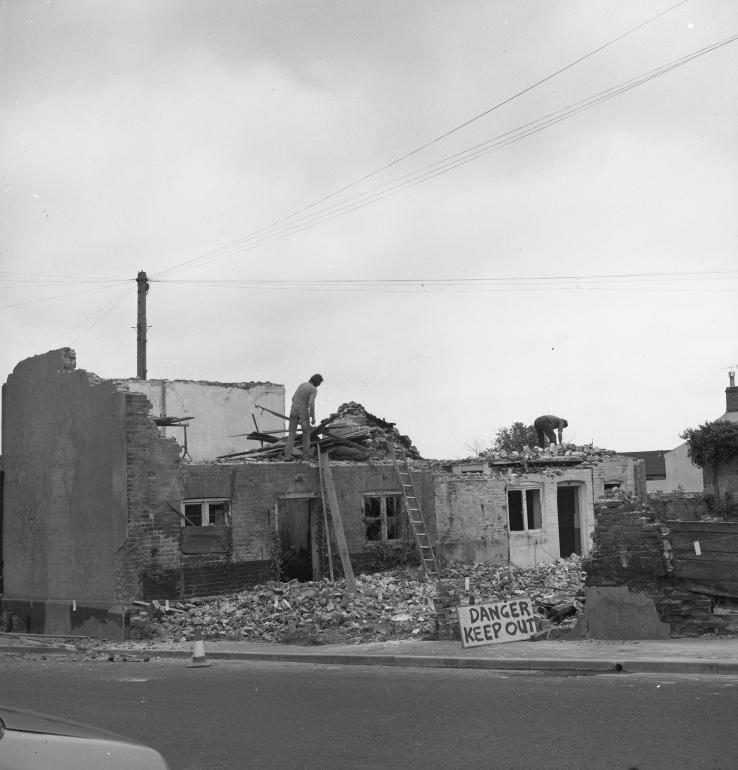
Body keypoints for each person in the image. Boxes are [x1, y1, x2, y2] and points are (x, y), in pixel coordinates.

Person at [284, 374, 323, 460]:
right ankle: (305, 457)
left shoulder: (302, 385)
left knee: (291, 434)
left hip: (293, 409)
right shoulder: (313, 389)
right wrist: (313, 417)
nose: (319, 386)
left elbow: (293, 398)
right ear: (317, 382)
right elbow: (311, 403)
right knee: (306, 434)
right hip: (303, 411)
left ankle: (287, 456)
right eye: (319, 384)